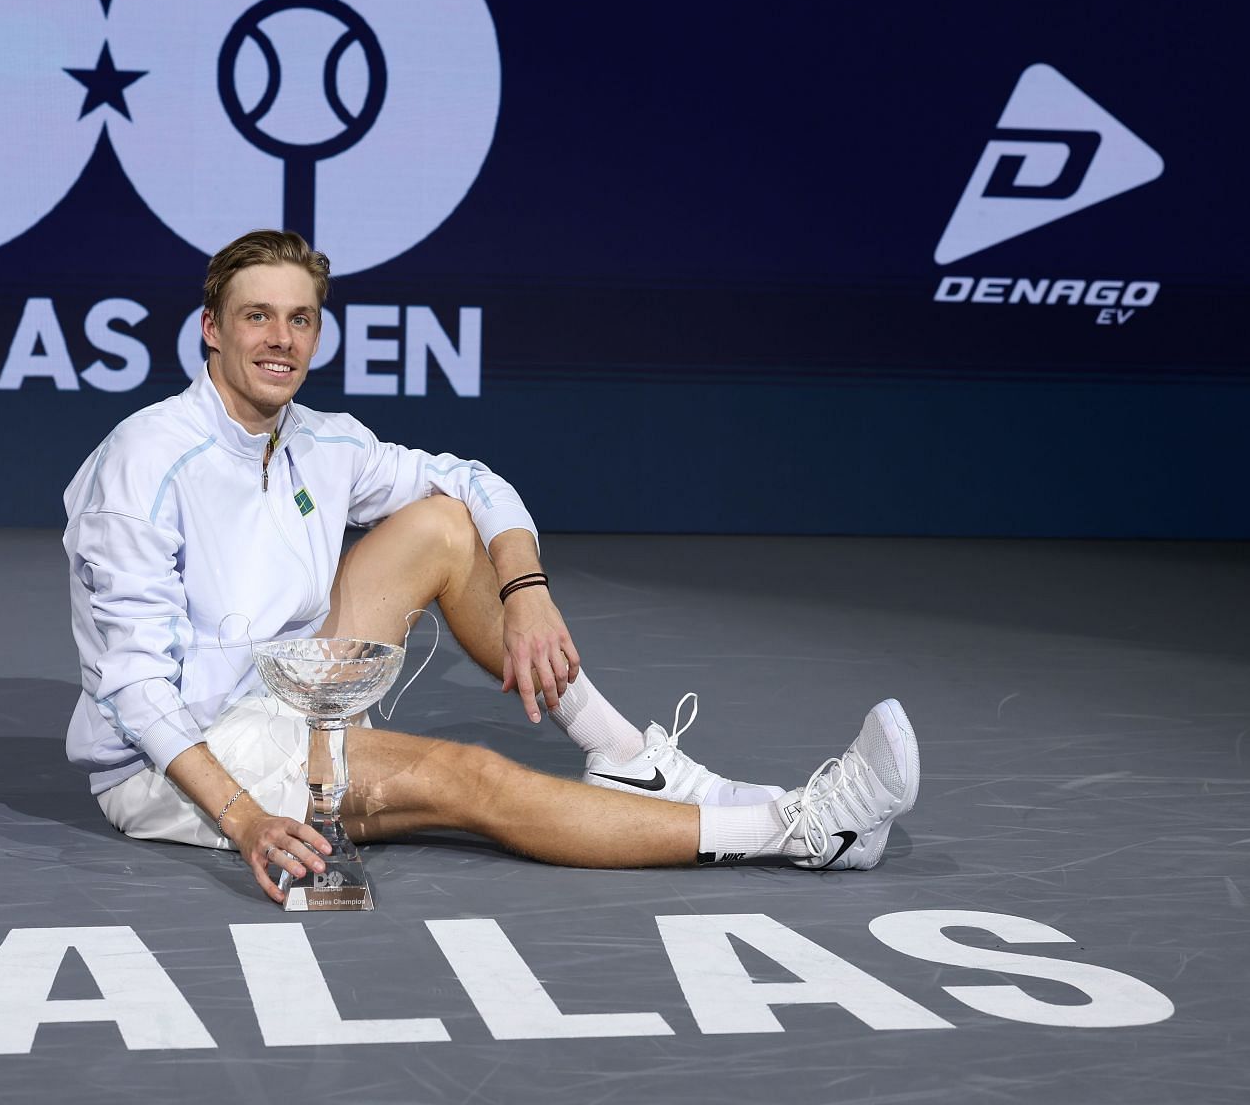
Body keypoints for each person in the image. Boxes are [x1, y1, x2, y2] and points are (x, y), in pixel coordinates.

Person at [63, 230, 920, 902]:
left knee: (441, 523)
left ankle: (621, 751)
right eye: (257, 317)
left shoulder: (322, 441)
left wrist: (527, 590)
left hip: (285, 696)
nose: (281, 340)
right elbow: (138, 692)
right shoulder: (144, 462)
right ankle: (801, 830)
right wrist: (248, 819)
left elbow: (475, 483)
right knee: (469, 777)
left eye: (301, 319)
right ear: (211, 329)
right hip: (180, 759)